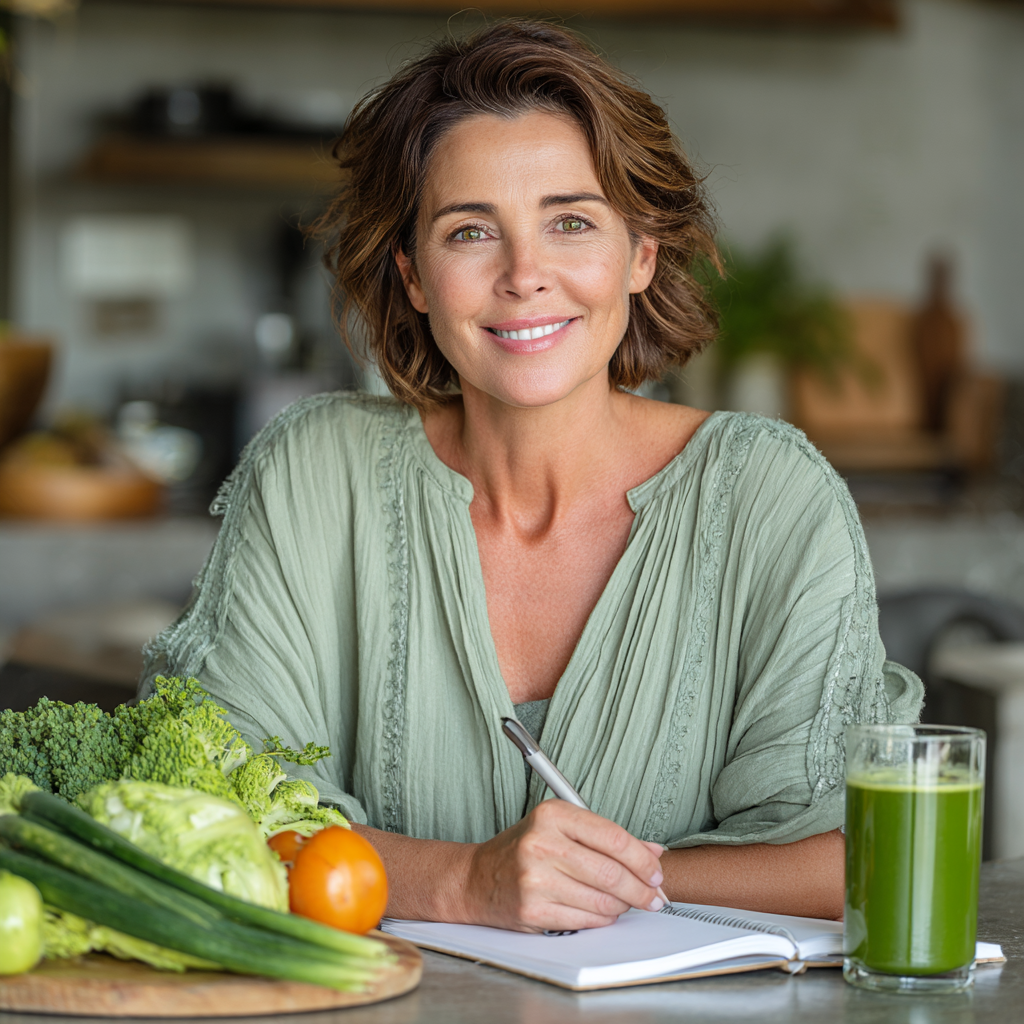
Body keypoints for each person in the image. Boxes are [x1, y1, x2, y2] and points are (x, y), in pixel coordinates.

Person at [143, 20, 922, 933]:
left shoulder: (771, 498)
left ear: (642, 254)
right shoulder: (312, 477)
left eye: (571, 222)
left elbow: (851, 859)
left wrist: (588, 880)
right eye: (471, 231)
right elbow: (208, 819)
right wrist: (467, 882)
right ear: (416, 276)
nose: (524, 275)